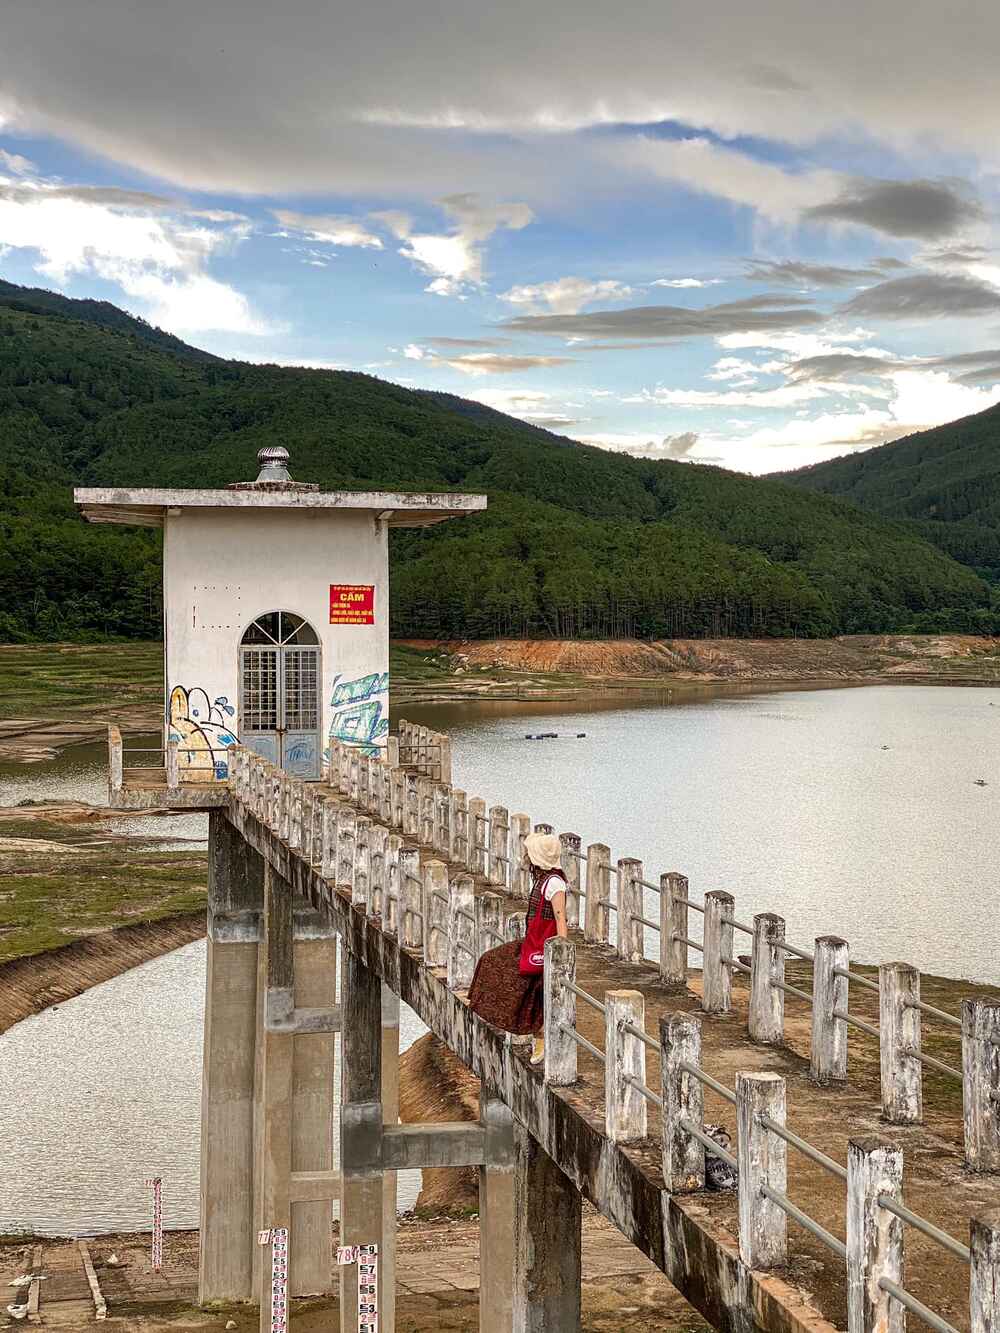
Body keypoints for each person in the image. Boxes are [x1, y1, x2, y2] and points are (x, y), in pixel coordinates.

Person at [467, 831, 569, 1065]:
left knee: (527, 987)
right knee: (491, 960)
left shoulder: (554, 884)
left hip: (543, 949)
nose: (526, 856)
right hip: (531, 943)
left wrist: (560, 956)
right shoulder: (543, 879)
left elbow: (560, 919)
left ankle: (540, 1036)